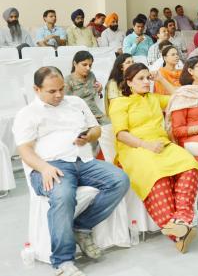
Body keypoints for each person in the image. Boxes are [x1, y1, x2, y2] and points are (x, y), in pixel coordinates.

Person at [13, 66, 129, 275]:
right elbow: (25, 150)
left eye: (61, 89)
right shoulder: (27, 114)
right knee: (63, 195)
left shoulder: (76, 102)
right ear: (36, 89)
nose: (58, 95)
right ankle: (63, 261)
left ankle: (82, 226)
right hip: (50, 165)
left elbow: (96, 129)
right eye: (51, 91)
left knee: (119, 179)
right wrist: (44, 168)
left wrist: (89, 136)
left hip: (83, 160)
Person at [109, 63, 198, 252]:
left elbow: (179, 97)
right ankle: (177, 231)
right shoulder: (119, 103)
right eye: (140, 79)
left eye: (146, 77)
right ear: (129, 82)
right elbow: (121, 135)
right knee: (157, 175)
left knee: (189, 164)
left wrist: (159, 79)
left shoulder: (153, 98)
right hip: (135, 148)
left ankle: (181, 221)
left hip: (161, 145)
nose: (145, 82)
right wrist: (145, 145)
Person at [64, 51, 112, 157]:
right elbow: (65, 103)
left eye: (90, 65)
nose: (88, 68)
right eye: (84, 65)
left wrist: (99, 89)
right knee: (89, 132)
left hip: (94, 111)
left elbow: (96, 93)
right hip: (79, 114)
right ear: (75, 64)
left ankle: (110, 157)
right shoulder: (68, 80)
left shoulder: (91, 76)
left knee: (110, 126)